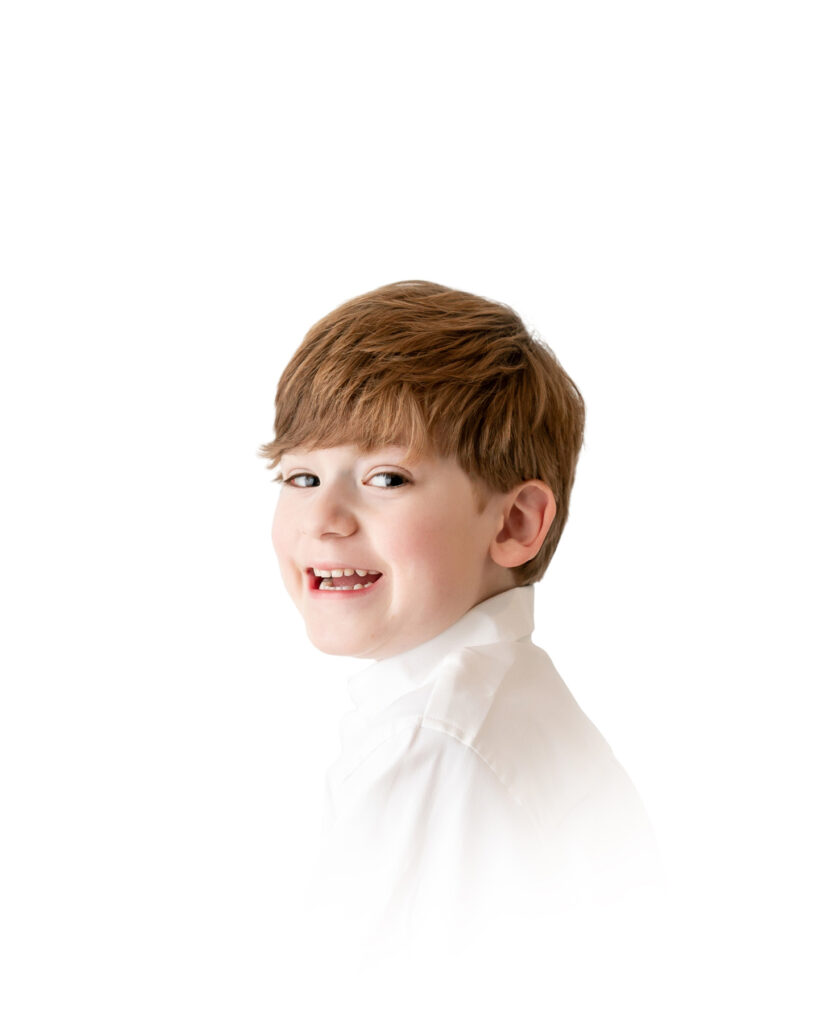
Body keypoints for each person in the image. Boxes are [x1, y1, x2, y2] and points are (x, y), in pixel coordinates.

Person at [258, 280, 659, 955]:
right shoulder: (506, 701)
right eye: (301, 478)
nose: (323, 521)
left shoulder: (434, 742)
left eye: (386, 478)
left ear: (513, 522)